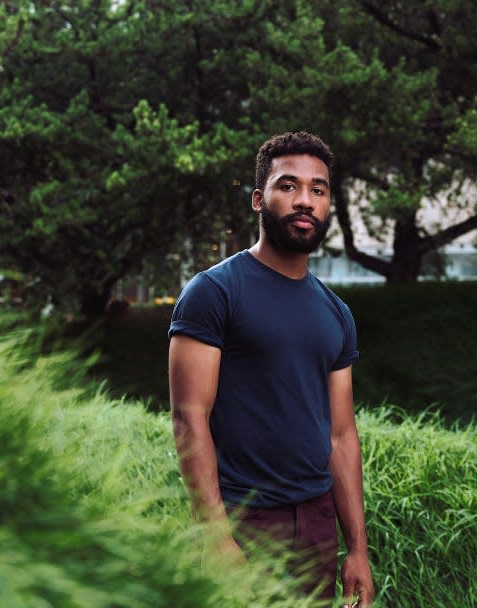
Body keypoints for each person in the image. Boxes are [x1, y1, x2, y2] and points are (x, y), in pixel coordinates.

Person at [168, 131, 375, 607]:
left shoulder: (336, 312)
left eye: (318, 190)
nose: (305, 200)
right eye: (289, 186)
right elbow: (188, 419)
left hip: (317, 522)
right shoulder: (213, 293)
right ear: (260, 199)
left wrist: (357, 549)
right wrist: (217, 536)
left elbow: (341, 435)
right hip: (246, 520)